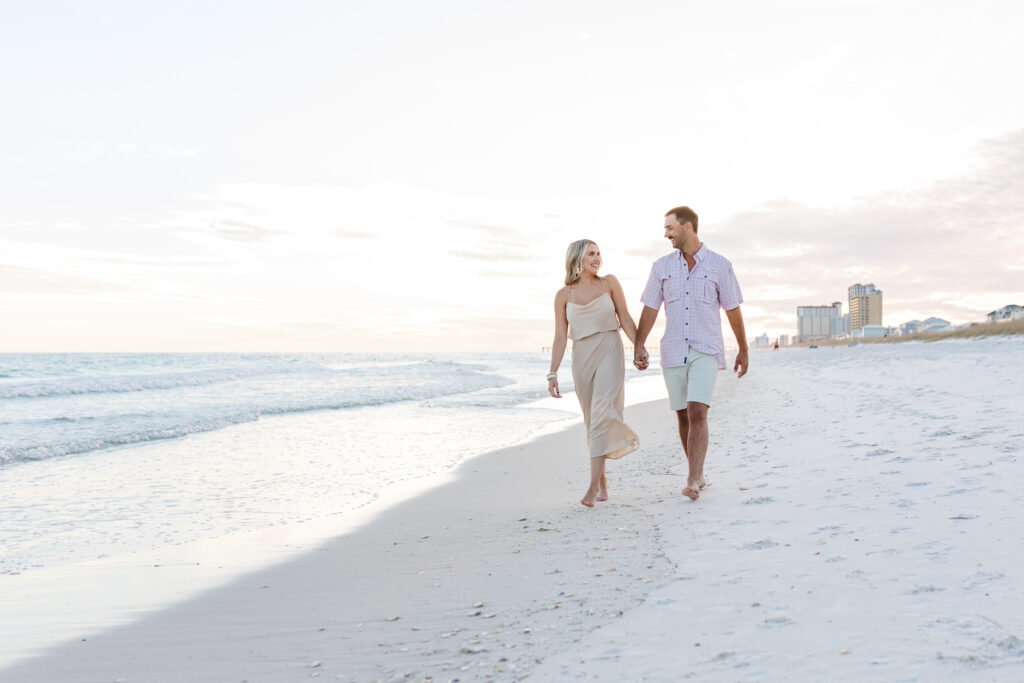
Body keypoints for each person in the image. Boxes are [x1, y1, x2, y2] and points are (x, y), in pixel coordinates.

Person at [633, 206, 748, 501]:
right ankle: (697, 472)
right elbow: (650, 308)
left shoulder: (720, 265)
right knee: (683, 415)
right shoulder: (661, 267)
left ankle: (692, 479)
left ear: (687, 227)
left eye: (670, 228)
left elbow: (733, 308)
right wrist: (638, 344)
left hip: (705, 348)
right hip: (673, 349)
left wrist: (743, 348)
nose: (666, 234)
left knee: (698, 411)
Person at [548, 239, 641, 507]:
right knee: (592, 421)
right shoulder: (563, 295)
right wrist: (552, 373)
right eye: (591, 253)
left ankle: (591, 487)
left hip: (610, 348)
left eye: (598, 253)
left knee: (601, 412)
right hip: (582, 358)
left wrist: (639, 348)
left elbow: (624, 318)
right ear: (577, 258)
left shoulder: (609, 283)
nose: (597, 257)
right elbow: (559, 338)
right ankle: (602, 481)